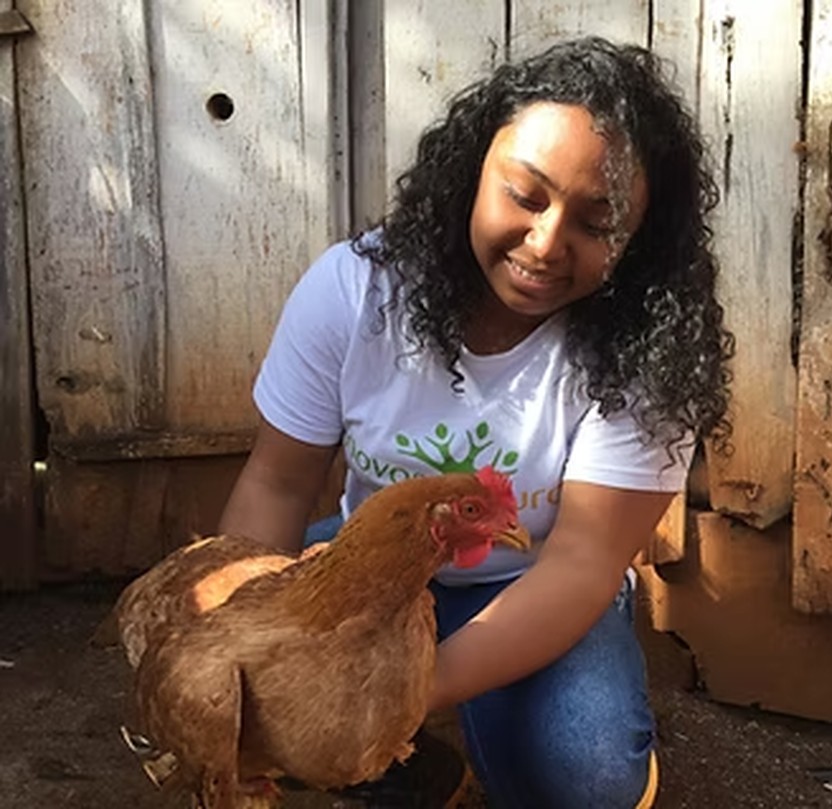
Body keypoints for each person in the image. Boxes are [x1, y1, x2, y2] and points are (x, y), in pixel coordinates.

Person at [219, 35, 732, 809]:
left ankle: (453, 723)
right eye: (525, 195)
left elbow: (581, 562)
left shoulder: (648, 348)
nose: (545, 244)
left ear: (640, 239)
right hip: (372, 570)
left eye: (597, 224)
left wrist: (395, 692)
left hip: (538, 582)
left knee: (587, 778)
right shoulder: (356, 291)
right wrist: (239, 652)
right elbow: (277, 483)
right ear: (472, 172)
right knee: (258, 707)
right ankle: (412, 765)